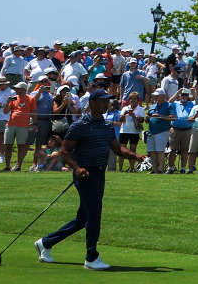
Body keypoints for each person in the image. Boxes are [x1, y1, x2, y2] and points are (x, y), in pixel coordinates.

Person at [35, 87, 140, 270]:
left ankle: (46, 243)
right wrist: (77, 168)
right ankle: (91, 257)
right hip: (85, 174)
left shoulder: (107, 125)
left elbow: (116, 149)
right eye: (103, 101)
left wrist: (134, 156)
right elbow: (64, 151)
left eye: (108, 101)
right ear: (92, 103)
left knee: (83, 218)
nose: (107, 103)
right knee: (94, 215)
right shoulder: (80, 126)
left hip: (99, 173)